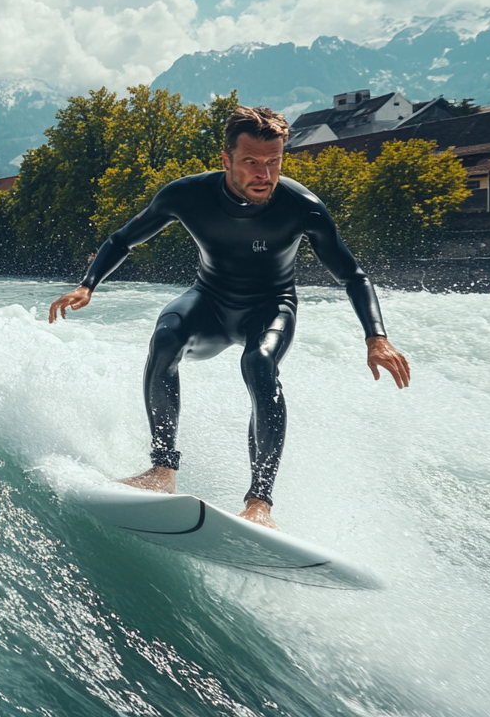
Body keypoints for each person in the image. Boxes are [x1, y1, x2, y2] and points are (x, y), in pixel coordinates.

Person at [47, 106, 410, 529]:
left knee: (258, 364)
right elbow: (123, 239)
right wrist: (88, 284)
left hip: (271, 308)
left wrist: (376, 337)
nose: (264, 174)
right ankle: (161, 472)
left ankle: (260, 503)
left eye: (273, 162)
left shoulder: (302, 207)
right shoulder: (186, 195)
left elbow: (353, 275)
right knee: (165, 338)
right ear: (226, 160)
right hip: (210, 303)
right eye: (251, 162)